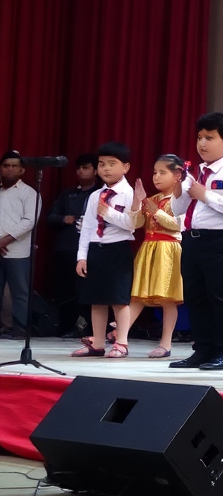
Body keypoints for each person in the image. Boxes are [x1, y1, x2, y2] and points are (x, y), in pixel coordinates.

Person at [169, 113, 223, 371]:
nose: (202, 143)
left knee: (220, 298)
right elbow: (177, 209)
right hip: (192, 240)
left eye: (209, 138)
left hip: (220, 241)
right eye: (199, 138)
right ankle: (202, 350)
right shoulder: (196, 172)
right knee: (196, 297)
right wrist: (179, 189)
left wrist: (205, 195)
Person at [72, 142, 139, 358]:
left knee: (119, 300)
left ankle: (122, 342)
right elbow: (87, 228)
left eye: (112, 164)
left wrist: (109, 213)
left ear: (126, 167)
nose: (106, 169)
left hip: (118, 250)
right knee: (97, 299)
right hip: (96, 250)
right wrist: (82, 256)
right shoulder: (95, 196)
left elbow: (132, 224)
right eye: (102, 164)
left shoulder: (129, 193)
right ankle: (98, 343)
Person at [127, 154, 186, 358]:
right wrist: (137, 203)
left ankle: (166, 343)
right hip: (148, 248)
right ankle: (120, 337)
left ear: (177, 175)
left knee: (168, 298)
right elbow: (136, 224)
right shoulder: (152, 199)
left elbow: (179, 225)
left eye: (162, 173)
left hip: (168, 250)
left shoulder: (181, 200)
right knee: (137, 296)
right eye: (154, 173)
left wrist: (156, 212)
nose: (156, 177)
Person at [46, 153, 101, 336]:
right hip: (65, 248)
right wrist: (64, 219)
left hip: (90, 250)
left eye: (85, 168)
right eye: (78, 168)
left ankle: (89, 328)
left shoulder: (100, 193)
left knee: (86, 290)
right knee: (64, 289)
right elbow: (50, 217)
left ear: (96, 170)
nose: (80, 172)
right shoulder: (68, 194)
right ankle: (66, 325)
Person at [0, 152, 40, 339]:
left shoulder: (29, 193)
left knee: (20, 293)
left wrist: (4, 240)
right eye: (6, 165)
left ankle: (20, 330)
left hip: (18, 252)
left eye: (14, 166)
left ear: (22, 170)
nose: (10, 169)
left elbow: (29, 221)